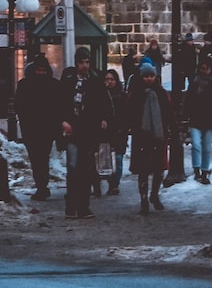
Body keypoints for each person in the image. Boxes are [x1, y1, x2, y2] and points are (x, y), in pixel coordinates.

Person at [59, 48, 110, 220]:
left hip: (88, 130)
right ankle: (72, 206)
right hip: (72, 130)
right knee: (74, 167)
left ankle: (83, 206)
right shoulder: (68, 80)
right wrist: (63, 121)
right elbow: (60, 102)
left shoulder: (94, 81)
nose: (84, 65)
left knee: (86, 169)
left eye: (87, 62)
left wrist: (103, 118)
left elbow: (103, 102)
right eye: (82, 62)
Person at [15, 55, 62, 201]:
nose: (41, 73)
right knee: (38, 158)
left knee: (40, 157)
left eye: (43, 70)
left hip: (41, 127)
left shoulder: (27, 84)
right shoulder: (51, 84)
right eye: (39, 70)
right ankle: (42, 184)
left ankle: (42, 185)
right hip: (35, 127)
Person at [128, 62, 173, 215]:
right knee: (143, 170)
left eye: (151, 76)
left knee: (158, 168)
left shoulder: (161, 93)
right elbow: (131, 114)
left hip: (158, 136)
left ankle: (154, 195)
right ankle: (144, 199)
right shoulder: (136, 94)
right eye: (146, 76)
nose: (149, 79)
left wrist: (170, 129)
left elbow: (168, 113)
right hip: (142, 136)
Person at [185, 57, 212, 184]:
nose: (204, 71)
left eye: (206, 68)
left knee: (206, 148)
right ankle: (198, 170)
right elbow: (188, 100)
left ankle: (204, 171)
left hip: (209, 120)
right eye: (203, 68)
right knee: (196, 145)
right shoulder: (196, 83)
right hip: (197, 118)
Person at [102, 69, 129, 195]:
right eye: (107, 79)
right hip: (106, 131)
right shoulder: (101, 95)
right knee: (107, 158)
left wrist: (124, 128)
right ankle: (109, 182)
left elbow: (126, 113)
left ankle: (115, 184)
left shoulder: (122, 95)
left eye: (112, 79)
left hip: (119, 131)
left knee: (118, 158)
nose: (109, 82)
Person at [173, 33, 199, 99]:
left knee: (191, 83)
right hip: (184, 69)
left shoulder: (192, 47)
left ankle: (190, 96)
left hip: (191, 68)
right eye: (190, 40)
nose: (191, 42)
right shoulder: (183, 47)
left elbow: (194, 59)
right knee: (182, 85)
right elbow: (181, 59)